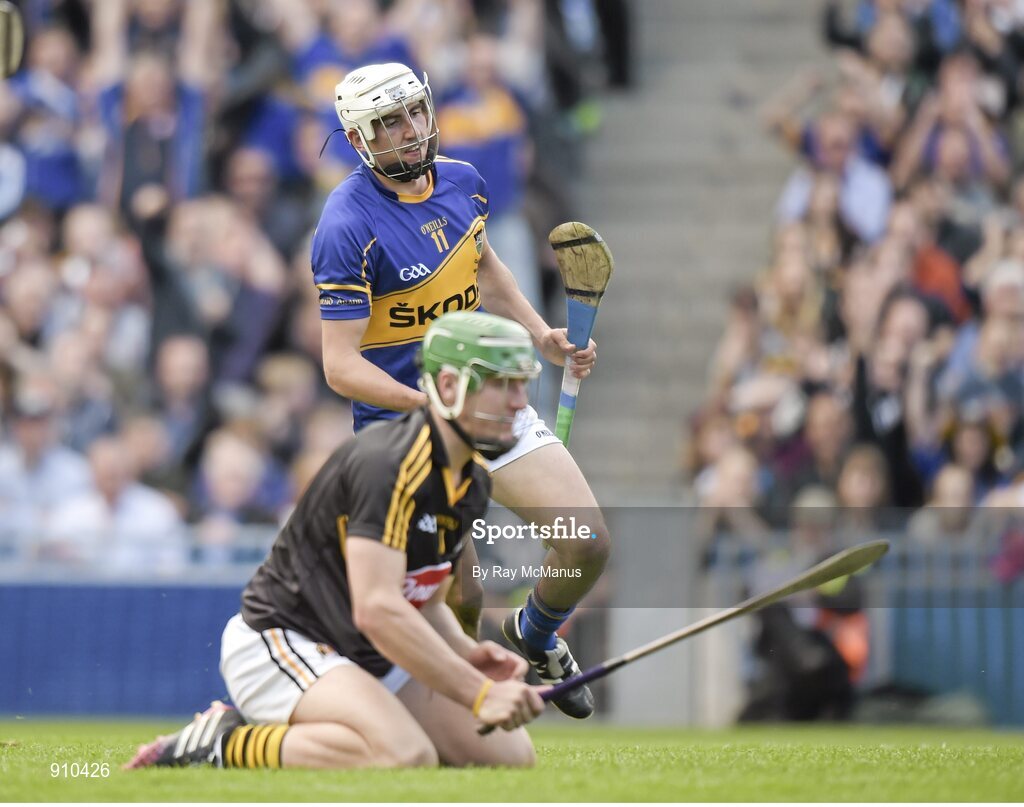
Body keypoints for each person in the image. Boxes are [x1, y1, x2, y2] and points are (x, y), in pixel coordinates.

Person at [311, 62, 609, 719]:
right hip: (408, 430)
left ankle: (534, 635)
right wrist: (438, 410)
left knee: (585, 542)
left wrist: (538, 332)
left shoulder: (464, 181)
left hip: (490, 403)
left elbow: (482, 261)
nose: (410, 130)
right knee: (461, 601)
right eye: (388, 122)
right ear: (359, 141)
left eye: (415, 111)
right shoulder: (345, 226)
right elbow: (339, 367)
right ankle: (461, 725)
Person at [125, 312, 546, 770]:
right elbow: (377, 608)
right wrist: (478, 692)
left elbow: (423, 603)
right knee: (405, 755)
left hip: (366, 652)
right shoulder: (388, 463)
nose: (519, 404)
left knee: (510, 756)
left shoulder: (472, 483)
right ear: (448, 387)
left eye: (521, 386)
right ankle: (221, 744)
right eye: (504, 385)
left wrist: (469, 655)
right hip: (286, 638)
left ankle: (350, 723)